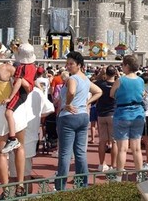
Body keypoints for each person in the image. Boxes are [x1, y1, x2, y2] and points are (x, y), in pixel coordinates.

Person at [0, 42, 32, 199]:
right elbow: (24, 83)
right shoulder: (8, 68)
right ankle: (20, 185)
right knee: (20, 147)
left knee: (1, 153)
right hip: (13, 107)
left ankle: (5, 190)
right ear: (1, 54)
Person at [55, 51, 102, 191]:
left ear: (79, 65)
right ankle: (82, 184)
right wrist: (87, 103)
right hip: (83, 116)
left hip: (68, 117)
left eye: (71, 64)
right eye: (67, 64)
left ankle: (60, 187)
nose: (68, 66)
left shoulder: (72, 79)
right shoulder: (86, 80)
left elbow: (71, 92)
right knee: (80, 152)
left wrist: (68, 103)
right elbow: (99, 91)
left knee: (65, 153)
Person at [110, 54, 145, 174]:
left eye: (123, 65)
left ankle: (119, 176)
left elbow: (111, 94)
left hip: (122, 114)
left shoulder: (120, 80)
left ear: (127, 66)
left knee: (122, 149)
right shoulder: (141, 80)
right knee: (137, 148)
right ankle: (139, 175)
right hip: (138, 113)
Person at [1, 44, 37, 154]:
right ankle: (12, 138)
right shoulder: (33, 67)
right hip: (25, 92)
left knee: (8, 113)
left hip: (19, 93)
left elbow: (19, 82)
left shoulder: (21, 68)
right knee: (9, 113)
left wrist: (10, 97)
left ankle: (12, 138)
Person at [94, 65, 117, 172]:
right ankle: (113, 165)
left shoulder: (100, 84)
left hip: (101, 114)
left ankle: (101, 164)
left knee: (102, 141)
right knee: (114, 141)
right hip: (113, 114)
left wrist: (100, 73)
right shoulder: (117, 84)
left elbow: (93, 81)